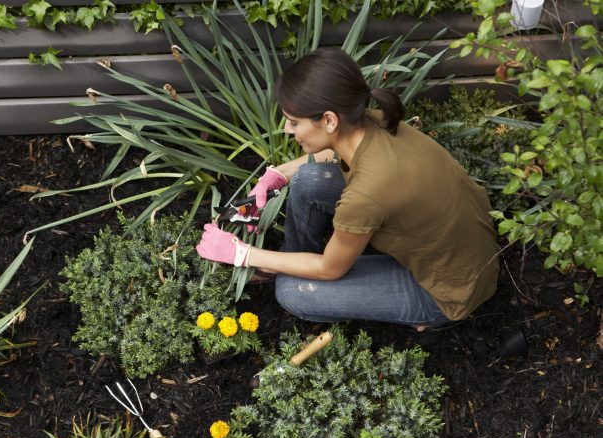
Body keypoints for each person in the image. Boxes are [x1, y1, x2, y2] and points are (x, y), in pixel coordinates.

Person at [196, 47, 500, 330]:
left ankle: (430, 318)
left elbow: (331, 270)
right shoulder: (372, 121)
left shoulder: (366, 195)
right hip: (467, 244)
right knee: (307, 179)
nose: (288, 130)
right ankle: (293, 259)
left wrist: (243, 254)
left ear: (329, 120)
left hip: (447, 290)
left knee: (292, 291)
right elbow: (334, 151)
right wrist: (277, 175)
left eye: (293, 122)